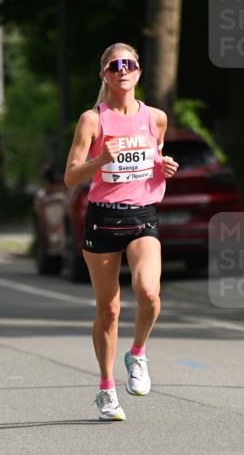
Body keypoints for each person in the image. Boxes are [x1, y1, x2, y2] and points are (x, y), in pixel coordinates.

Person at [64, 43, 178, 421]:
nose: (123, 70)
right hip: (103, 219)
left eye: (129, 64)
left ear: (139, 72)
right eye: (115, 66)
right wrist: (100, 159)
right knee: (109, 309)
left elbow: (154, 161)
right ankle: (106, 388)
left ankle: (138, 353)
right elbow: (70, 177)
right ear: (105, 75)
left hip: (142, 216)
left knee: (149, 293)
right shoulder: (92, 120)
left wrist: (165, 166)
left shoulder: (156, 118)